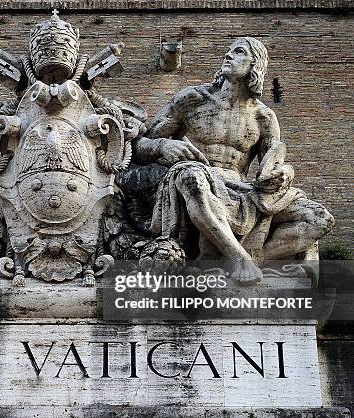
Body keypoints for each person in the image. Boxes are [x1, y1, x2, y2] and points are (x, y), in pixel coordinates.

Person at [134, 37, 334, 284]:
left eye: (238, 52)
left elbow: (273, 162)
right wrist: (164, 144)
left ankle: (253, 258)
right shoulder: (193, 99)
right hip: (198, 177)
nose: (228, 56)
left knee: (319, 218)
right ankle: (238, 259)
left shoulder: (264, 117)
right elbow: (141, 146)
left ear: (255, 65)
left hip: (241, 189)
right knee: (190, 176)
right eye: (227, 52)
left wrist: (284, 173)